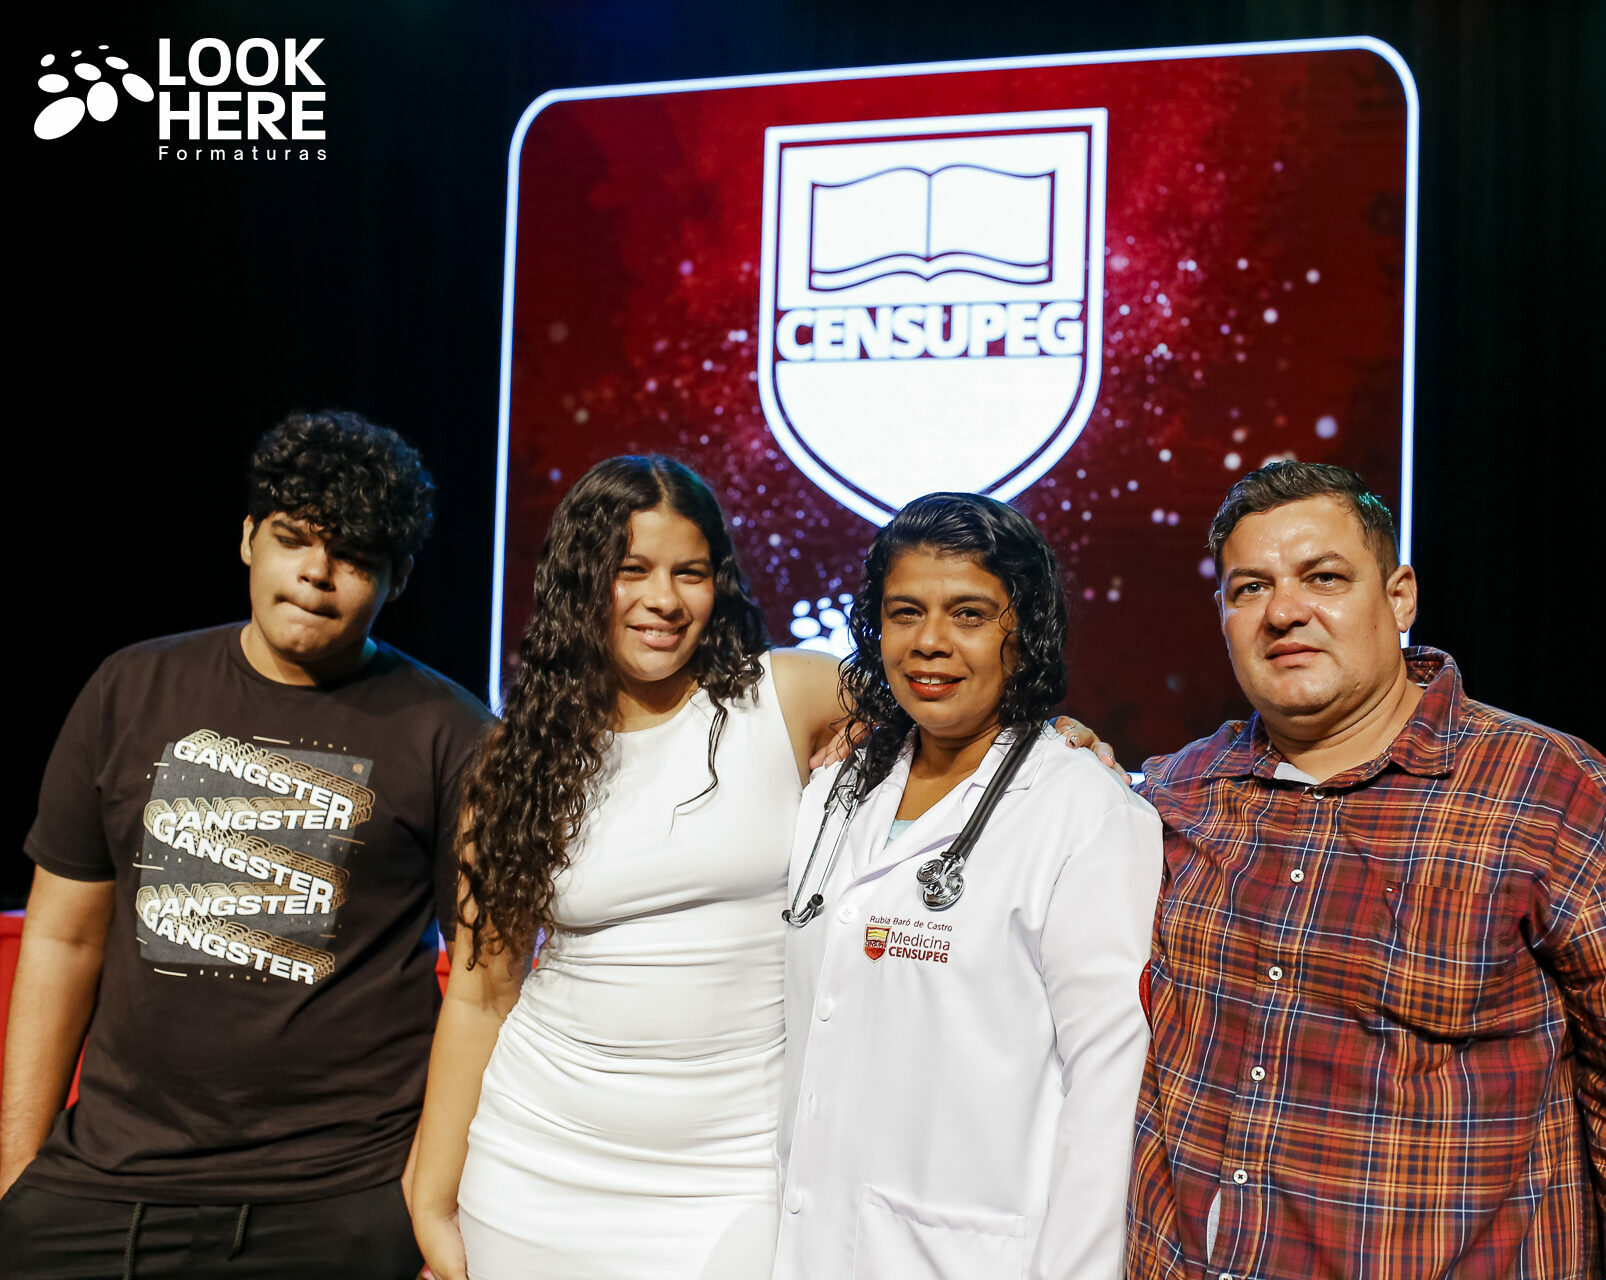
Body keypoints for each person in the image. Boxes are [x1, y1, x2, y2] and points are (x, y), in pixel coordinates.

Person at [408, 457, 1112, 1279]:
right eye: (632, 570)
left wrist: (1058, 735)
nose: (664, 599)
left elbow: (950, 697)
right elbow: (482, 994)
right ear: (579, 581)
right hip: (534, 1160)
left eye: (690, 572)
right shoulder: (517, 759)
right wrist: (431, 1190)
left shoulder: (787, 692)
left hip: (736, 1176)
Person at [1126, 461, 1606, 1279]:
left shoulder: (1556, 800)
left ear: (1399, 598)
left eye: (1324, 577)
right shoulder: (1175, 795)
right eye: (1251, 588)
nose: (1283, 611)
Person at [0, 411, 493, 1278]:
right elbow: (62, 938)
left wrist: (425, 1199)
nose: (315, 573)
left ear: (398, 579)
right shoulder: (129, 689)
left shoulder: (453, 734)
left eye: (353, 556)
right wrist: (15, 1172)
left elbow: (487, 987)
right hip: (106, 1185)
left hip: (338, 1198)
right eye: (293, 539)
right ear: (246, 539)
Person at [774, 493, 1162, 1280]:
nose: (930, 642)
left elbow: (1107, 1088)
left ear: (1025, 631)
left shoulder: (1084, 812)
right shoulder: (835, 790)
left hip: (968, 1252)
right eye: (905, 613)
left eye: (970, 614)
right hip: (807, 1243)